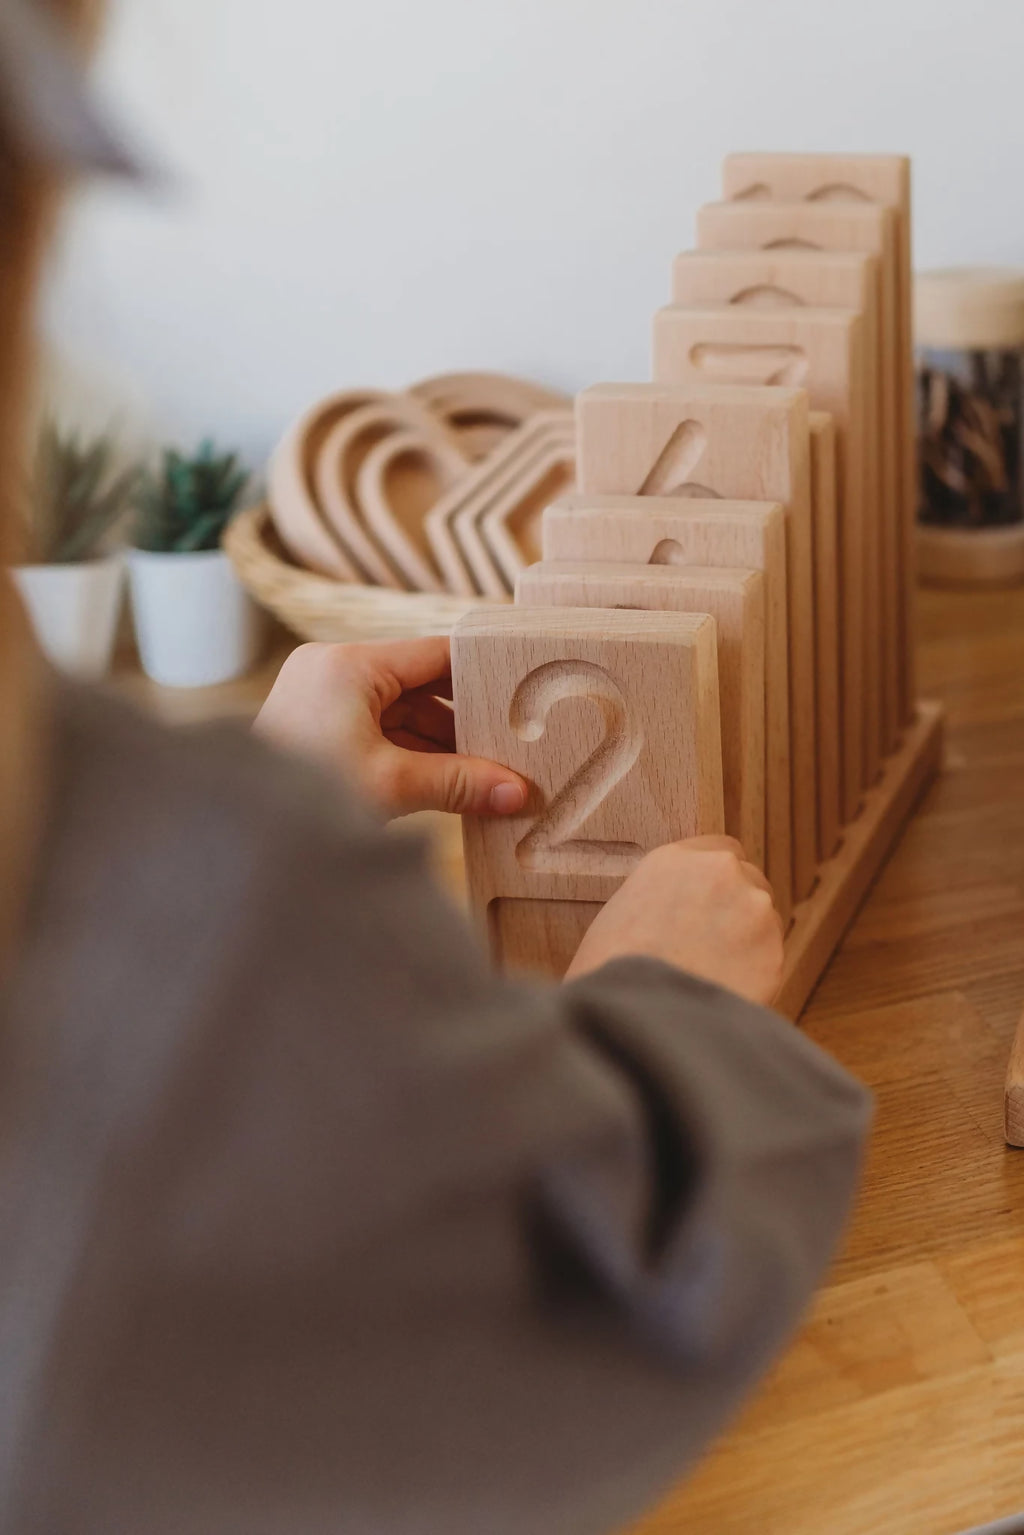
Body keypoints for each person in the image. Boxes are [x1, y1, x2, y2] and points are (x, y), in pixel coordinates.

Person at [0, 4, 871, 1532]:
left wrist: (249, 847)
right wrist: (675, 1020)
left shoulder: (181, 875)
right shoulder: (193, 893)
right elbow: (582, 1312)